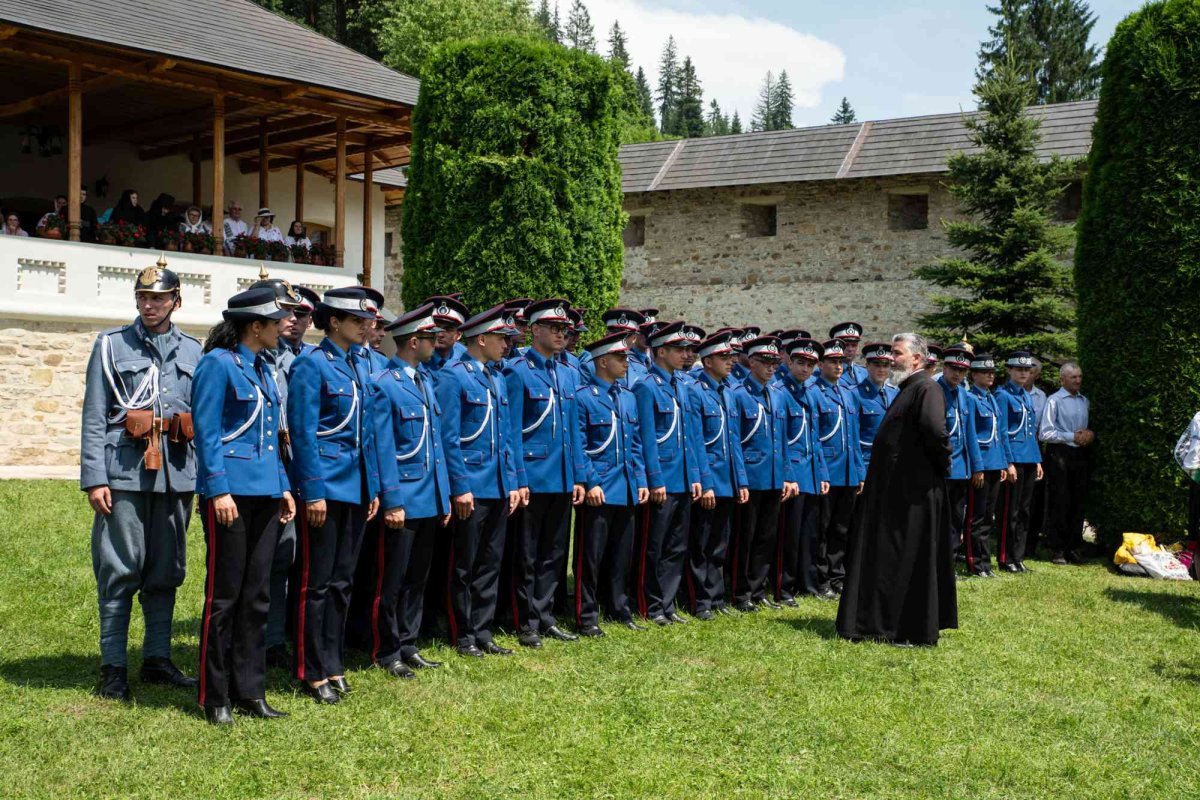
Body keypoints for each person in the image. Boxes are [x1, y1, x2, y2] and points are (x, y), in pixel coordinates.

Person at [80, 259, 201, 702]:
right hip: (126, 475)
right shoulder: (111, 345)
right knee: (119, 569)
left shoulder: (193, 351)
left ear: (175, 302)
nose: (149, 305)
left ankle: (157, 658)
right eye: (143, 298)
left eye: (158, 298)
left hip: (175, 476)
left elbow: (201, 420)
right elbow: (95, 415)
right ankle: (113, 668)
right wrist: (95, 478)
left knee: (166, 570)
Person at [193, 287, 296, 725]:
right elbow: (207, 430)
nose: (283, 328)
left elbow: (271, 436)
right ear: (255, 327)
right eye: (276, 322)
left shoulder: (263, 366)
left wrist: (284, 486)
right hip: (230, 496)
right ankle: (214, 695)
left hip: (266, 494)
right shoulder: (218, 364)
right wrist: (217, 491)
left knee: (257, 596)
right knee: (224, 597)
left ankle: (250, 689)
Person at [287, 286, 382, 704]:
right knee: (316, 582)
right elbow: (304, 433)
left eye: (368, 320)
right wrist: (312, 491)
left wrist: (373, 486)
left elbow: (369, 435)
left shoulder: (360, 365)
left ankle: (333, 660)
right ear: (334, 322)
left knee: (344, 581)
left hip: (356, 487)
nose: (367, 327)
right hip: (325, 486)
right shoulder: (313, 365)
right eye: (358, 321)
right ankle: (310, 669)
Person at [836, 332, 955, 647]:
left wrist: (940, 468)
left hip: (914, 493)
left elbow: (934, 432)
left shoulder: (926, 388)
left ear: (917, 358)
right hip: (896, 494)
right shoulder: (908, 389)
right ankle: (882, 621)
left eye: (897, 353)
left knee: (909, 559)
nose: (891, 359)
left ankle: (909, 628)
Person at [362, 303, 452, 677]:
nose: (437, 343)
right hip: (404, 498)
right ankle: (386, 649)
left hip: (428, 496)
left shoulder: (424, 380)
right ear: (414, 341)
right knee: (392, 579)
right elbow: (383, 447)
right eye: (430, 338)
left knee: (418, 576)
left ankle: (408, 642)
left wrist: (443, 495)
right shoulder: (385, 384)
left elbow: (436, 445)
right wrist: (392, 500)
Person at [435, 305, 522, 657]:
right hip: (472, 484)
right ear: (482, 338)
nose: (507, 345)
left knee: (490, 561)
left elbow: (506, 437)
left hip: (498, 484)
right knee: (463, 564)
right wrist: (460, 486)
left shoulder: (496, 377)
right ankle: (462, 632)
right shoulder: (452, 376)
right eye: (502, 338)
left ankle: (483, 630)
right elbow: (448, 437)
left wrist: (513, 481)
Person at [503, 299, 585, 646]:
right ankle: (526, 621)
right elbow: (511, 432)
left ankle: (547, 615)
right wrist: (519, 479)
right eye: (554, 328)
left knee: (554, 553)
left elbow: (574, 431)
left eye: (565, 330)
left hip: (562, 477)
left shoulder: (567, 372)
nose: (561, 335)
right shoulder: (517, 369)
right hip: (534, 476)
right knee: (527, 554)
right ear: (534, 330)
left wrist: (579, 475)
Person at [249, 280, 313, 670]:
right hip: (256, 467)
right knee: (256, 556)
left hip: (293, 466)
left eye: (302, 313)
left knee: (284, 557)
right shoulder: (249, 356)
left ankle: (276, 638)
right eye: (287, 312)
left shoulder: (307, 360)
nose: (293, 320)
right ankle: (255, 637)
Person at [573, 331, 649, 635]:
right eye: (620, 358)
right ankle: (586, 615)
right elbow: (579, 445)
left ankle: (619, 607)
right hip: (601, 487)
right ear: (602, 361)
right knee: (590, 557)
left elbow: (636, 444)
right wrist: (589, 481)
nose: (626, 363)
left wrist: (641, 478)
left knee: (621, 554)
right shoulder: (583, 398)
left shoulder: (627, 397)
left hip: (626, 486)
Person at [633, 321, 705, 626]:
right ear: (660, 351)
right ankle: (649, 603)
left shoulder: (682, 385)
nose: (684, 355)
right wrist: (655, 479)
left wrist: (697, 476)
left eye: (687, 350)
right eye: (678, 349)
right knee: (654, 545)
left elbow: (691, 436)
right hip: (663, 478)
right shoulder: (646, 386)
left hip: (684, 478)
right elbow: (647, 438)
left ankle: (667, 601)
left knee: (677, 545)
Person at [729, 336, 799, 612]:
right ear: (751, 362)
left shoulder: (778, 394)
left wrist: (788, 475)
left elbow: (783, 441)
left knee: (766, 537)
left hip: (773, 476)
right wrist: (741, 478)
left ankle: (757, 590)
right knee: (745, 537)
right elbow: (734, 439)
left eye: (775, 363)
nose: (771, 368)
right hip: (751, 474)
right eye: (766, 363)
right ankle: (740, 591)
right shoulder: (738, 393)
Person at [685, 330, 748, 619]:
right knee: (702, 543)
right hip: (710, 478)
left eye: (732, 356)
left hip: (728, 478)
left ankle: (715, 595)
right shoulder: (696, 391)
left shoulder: (727, 391)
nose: (731, 361)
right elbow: (697, 442)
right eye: (724, 357)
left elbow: (733, 440)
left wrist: (741, 480)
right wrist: (706, 484)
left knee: (720, 542)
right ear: (707, 361)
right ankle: (699, 600)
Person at [776, 338, 830, 603]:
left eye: (810, 364)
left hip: (810, 472)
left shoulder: (810, 392)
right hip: (793, 473)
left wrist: (822, 473)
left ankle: (807, 583)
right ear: (789, 362)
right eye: (800, 363)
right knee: (790, 534)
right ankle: (784, 587)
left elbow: (815, 437)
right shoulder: (780, 391)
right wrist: (787, 474)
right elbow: (780, 440)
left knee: (810, 533)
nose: (805, 369)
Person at [812, 338, 865, 598]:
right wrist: (821, 473)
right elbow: (815, 439)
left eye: (841, 361)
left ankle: (837, 575)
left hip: (847, 472)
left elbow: (853, 438)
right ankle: (820, 579)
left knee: (842, 528)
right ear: (820, 364)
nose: (838, 366)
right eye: (832, 361)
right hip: (828, 472)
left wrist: (858, 472)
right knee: (822, 528)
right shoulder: (814, 391)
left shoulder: (848, 392)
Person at [962, 354, 1013, 578]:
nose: (990, 375)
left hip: (994, 462)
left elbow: (1000, 434)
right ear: (974, 375)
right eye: (985, 372)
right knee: (976, 516)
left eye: (992, 372)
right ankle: (974, 562)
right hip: (981, 464)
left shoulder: (991, 398)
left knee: (988, 516)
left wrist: (1003, 462)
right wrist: (977, 467)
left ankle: (985, 562)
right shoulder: (970, 398)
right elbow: (971, 434)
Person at [1038, 362, 1094, 565]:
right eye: (1073, 377)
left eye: (1080, 377)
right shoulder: (1055, 401)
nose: (1078, 380)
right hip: (1060, 454)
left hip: (1080, 455)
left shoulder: (1084, 401)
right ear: (1063, 379)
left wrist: (1088, 435)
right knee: (1060, 501)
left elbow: (1086, 429)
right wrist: (1071, 436)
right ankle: (1057, 548)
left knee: (1078, 501)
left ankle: (1074, 546)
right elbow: (1045, 432)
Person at [995, 351, 1043, 573]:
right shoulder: (1003, 395)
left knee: (1024, 511)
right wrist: (1008, 462)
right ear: (1009, 370)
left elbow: (1031, 430)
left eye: (1027, 370)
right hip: (1014, 458)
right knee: (1009, 511)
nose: (1024, 373)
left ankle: (1018, 556)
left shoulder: (1025, 395)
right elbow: (1002, 432)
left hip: (1029, 458)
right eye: (1019, 369)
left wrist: (1038, 460)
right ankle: (1005, 557)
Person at [937, 347, 984, 563]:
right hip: (941, 467)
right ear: (944, 367)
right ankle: (935, 559)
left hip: (961, 468)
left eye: (962, 370)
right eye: (954, 368)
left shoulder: (966, 396)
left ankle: (952, 557)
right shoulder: (935, 392)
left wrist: (977, 466)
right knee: (939, 517)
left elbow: (970, 433)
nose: (957, 374)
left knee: (957, 516)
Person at [856, 343, 900, 470]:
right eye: (876, 365)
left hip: (890, 462)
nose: (881, 370)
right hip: (867, 462)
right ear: (867, 366)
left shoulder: (895, 393)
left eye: (885, 365)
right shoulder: (855, 394)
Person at [426, 295, 469, 375]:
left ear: (458, 335)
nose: (440, 334)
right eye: (436, 327)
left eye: (448, 329)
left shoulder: (465, 358)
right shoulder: (418, 358)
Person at [831, 322, 867, 388]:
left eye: (854, 345)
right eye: (846, 345)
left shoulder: (865, 372)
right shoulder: (826, 372)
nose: (850, 349)